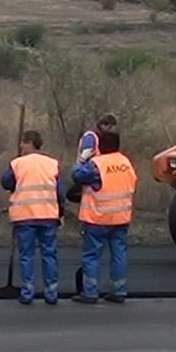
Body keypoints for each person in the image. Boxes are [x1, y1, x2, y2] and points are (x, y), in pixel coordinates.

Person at [71, 130, 137, 304]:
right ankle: (119, 290)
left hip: (97, 218)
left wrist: (82, 159)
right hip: (121, 218)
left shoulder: (96, 165)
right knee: (119, 255)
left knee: (92, 256)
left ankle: (90, 292)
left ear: (99, 145)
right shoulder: (126, 162)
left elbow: (77, 175)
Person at [1, 130, 64, 306]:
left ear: (29, 142)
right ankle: (51, 291)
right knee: (49, 254)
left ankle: (28, 291)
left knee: (26, 255)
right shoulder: (52, 164)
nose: (20, 146)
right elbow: (59, 192)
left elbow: (6, 182)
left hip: (25, 216)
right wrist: (61, 212)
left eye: (22, 142)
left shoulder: (17, 164)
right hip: (48, 215)